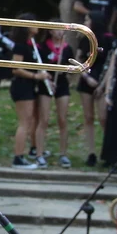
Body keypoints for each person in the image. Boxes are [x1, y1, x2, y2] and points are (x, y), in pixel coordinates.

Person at [10, 15, 50, 169]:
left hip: (29, 86)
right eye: (34, 22)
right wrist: (35, 76)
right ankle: (18, 157)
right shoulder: (20, 45)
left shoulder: (31, 44)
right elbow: (16, 68)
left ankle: (31, 150)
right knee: (24, 122)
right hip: (22, 86)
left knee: (30, 121)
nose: (37, 25)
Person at [76, 11, 115, 167]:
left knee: (104, 118)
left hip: (102, 82)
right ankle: (91, 153)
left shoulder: (108, 39)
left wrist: (102, 85)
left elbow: (111, 63)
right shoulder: (85, 39)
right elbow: (78, 60)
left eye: (87, 19)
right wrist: (86, 77)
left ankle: (109, 152)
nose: (85, 22)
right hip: (87, 81)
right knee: (88, 117)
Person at [42, 22, 74, 168]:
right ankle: (40, 153)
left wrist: (67, 70)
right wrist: (47, 78)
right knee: (44, 119)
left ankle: (63, 154)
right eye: (57, 29)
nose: (60, 32)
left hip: (62, 84)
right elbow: (39, 66)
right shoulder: (43, 46)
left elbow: (73, 67)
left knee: (62, 119)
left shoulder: (67, 48)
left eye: (62, 29)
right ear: (50, 31)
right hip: (46, 84)